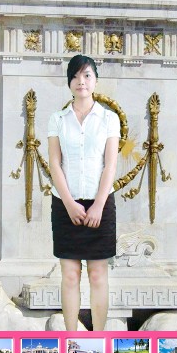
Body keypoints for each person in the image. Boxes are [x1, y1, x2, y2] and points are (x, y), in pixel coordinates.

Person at [47, 54, 120, 331]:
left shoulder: (109, 119)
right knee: (69, 275)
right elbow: (55, 163)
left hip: (101, 204)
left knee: (98, 275)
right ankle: (71, 340)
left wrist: (98, 205)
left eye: (87, 75)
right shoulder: (57, 119)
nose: (82, 81)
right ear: (69, 82)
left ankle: (99, 339)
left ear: (95, 81)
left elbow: (110, 164)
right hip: (65, 205)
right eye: (76, 76)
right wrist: (69, 203)